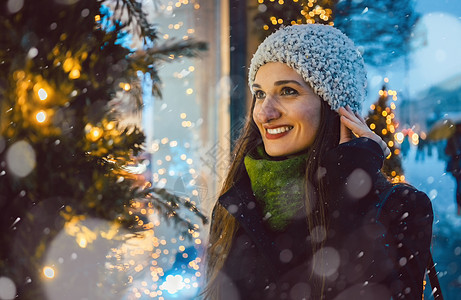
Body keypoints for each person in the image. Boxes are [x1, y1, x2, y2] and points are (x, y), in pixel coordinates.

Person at [204, 24, 434, 300]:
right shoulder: (235, 202)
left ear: (336, 108)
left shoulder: (400, 207)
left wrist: (353, 182)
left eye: (288, 91)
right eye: (260, 93)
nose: (264, 113)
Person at [445, 123, 461, 216]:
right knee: (459, 187)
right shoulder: (452, 137)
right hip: (457, 167)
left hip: (457, 166)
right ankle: (459, 207)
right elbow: (447, 151)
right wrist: (456, 153)